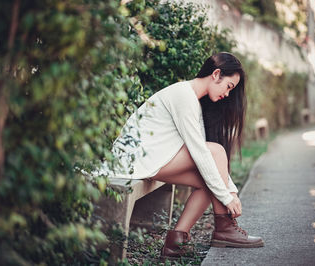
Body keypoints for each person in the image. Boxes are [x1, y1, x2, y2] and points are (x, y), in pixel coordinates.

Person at [101, 52, 264, 259]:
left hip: (151, 158)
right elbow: (201, 152)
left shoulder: (193, 101)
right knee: (216, 151)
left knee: (209, 181)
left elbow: (206, 160)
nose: (228, 94)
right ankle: (224, 228)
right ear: (216, 74)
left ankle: (175, 242)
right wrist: (227, 195)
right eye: (229, 87)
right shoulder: (183, 95)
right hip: (134, 160)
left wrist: (228, 191)